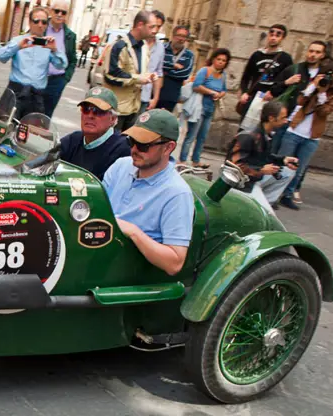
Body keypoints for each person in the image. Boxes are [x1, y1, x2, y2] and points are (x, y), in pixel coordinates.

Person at [102, 109, 194, 276]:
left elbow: (175, 263)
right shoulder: (121, 166)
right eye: (132, 141)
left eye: (144, 145)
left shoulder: (176, 193)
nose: (135, 149)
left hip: (127, 276)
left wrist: (133, 232)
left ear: (168, 148)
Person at [277, 59, 333, 209]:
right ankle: (272, 193)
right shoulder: (313, 85)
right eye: (330, 77)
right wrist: (313, 86)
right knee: (282, 163)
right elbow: (300, 101)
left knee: (299, 169)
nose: (332, 81)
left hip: (312, 136)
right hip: (295, 129)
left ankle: (287, 195)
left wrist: (322, 94)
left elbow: (324, 112)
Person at [225, 100, 300, 210]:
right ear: (271, 118)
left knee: (288, 172)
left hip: (254, 179)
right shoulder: (247, 136)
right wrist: (261, 170)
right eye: (283, 117)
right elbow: (233, 166)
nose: (286, 121)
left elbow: (263, 157)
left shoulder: (265, 135)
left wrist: (283, 160)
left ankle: (262, 203)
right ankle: (257, 207)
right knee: (268, 217)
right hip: (241, 184)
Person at [0, 6, 66, 119]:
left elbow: (61, 65)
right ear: (29, 22)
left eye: (43, 22)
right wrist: (18, 47)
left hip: (36, 97)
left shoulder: (49, 44)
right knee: (2, 128)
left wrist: (55, 50)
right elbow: (1, 57)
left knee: (30, 134)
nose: (40, 25)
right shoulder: (18, 40)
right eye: (36, 21)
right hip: (16, 92)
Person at [265, 40, 328, 152]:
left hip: (303, 124)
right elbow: (273, 90)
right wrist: (286, 82)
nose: (313, 55)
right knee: (273, 152)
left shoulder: (324, 75)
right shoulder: (294, 69)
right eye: (311, 51)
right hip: (285, 119)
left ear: (322, 55)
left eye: (317, 52)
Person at [58, 86, 131, 179]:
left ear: (113, 119)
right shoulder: (73, 140)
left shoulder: (123, 149)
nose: (90, 115)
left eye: (98, 111)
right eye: (86, 109)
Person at [102, 10, 158, 131]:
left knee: (125, 146)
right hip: (116, 109)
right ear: (140, 25)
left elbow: (138, 72)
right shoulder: (119, 45)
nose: (154, 30)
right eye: (151, 26)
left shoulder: (144, 47)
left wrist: (149, 76)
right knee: (109, 146)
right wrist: (139, 79)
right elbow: (110, 75)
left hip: (133, 108)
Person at [179, 48, 229, 169]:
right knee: (191, 135)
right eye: (219, 59)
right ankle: (182, 160)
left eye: (224, 60)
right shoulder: (205, 71)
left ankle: (196, 160)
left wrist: (219, 95)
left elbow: (224, 90)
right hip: (199, 108)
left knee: (202, 137)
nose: (221, 62)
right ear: (213, 59)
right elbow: (196, 86)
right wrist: (211, 92)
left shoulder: (223, 75)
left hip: (210, 109)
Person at [237, 24, 292, 122]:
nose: (273, 38)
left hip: (271, 100)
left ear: (282, 38)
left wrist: (276, 94)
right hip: (253, 97)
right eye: (271, 34)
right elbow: (246, 76)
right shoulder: (257, 55)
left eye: (277, 35)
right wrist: (244, 92)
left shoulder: (285, 58)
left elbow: (286, 82)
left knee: (262, 129)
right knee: (244, 128)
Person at [42, 0, 77, 118]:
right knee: (28, 112)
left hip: (56, 82)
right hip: (37, 77)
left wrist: (65, 79)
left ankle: (38, 136)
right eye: (57, 11)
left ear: (67, 15)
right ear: (51, 11)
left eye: (63, 12)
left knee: (46, 116)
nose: (59, 14)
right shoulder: (40, 27)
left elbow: (72, 60)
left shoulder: (70, 36)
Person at [155, 25, 193, 112]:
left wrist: (165, 72)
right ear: (173, 35)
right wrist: (173, 65)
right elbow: (155, 65)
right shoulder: (161, 48)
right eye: (179, 35)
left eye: (184, 36)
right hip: (154, 93)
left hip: (171, 96)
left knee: (163, 123)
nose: (181, 39)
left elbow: (185, 73)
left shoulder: (189, 55)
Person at [139, 9, 165, 112]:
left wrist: (155, 98)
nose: (155, 30)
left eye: (158, 26)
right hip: (128, 95)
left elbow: (158, 73)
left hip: (145, 96)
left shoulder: (160, 47)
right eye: (153, 26)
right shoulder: (137, 43)